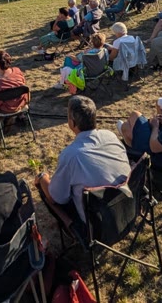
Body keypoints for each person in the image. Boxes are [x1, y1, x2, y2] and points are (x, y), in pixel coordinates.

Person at [34, 96, 131, 228]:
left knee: (46, 189)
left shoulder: (71, 155)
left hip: (98, 225)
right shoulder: (110, 135)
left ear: (72, 123)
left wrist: (42, 177)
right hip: (127, 210)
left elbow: (55, 197)